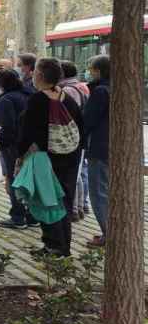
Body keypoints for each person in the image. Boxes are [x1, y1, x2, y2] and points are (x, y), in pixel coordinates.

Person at [17, 57, 84, 257]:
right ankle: (64, 246)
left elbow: (27, 132)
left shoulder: (38, 100)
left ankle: (53, 246)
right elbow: (80, 126)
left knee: (49, 200)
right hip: (70, 157)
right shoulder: (67, 97)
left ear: (39, 75)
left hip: (47, 158)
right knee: (65, 200)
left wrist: (20, 156)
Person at [0, 68, 35, 229]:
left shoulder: (6, 100)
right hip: (31, 144)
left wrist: (0, 142)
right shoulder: (28, 94)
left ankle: (18, 216)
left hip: (13, 146)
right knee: (28, 179)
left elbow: (8, 127)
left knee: (14, 179)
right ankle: (32, 215)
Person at [83, 55, 110, 248]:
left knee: (98, 192)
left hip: (99, 148)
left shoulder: (100, 91)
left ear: (98, 71)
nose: (89, 72)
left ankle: (108, 234)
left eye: (91, 69)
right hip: (112, 147)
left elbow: (88, 120)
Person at [60, 60, 91, 219]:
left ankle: (75, 209)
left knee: (75, 174)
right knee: (81, 171)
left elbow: (67, 115)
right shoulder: (81, 86)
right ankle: (82, 205)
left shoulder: (67, 90)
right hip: (82, 135)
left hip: (72, 137)